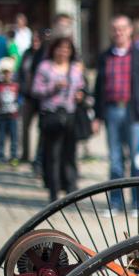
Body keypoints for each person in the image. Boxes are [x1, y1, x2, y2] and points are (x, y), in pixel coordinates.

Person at [93, 15, 139, 212]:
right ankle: (115, 202)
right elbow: (98, 87)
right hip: (112, 111)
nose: (118, 32)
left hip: (134, 113)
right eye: (115, 28)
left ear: (130, 30)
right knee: (115, 160)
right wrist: (96, 116)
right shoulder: (105, 56)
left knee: (137, 159)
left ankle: (138, 202)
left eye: (122, 28)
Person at [33, 37, 85, 202]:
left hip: (70, 116)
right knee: (53, 156)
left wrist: (80, 95)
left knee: (70, 155)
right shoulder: (45, 67)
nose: (64, 52)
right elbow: (36, 90)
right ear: (54, 49)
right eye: (60, 48)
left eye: (67, 49)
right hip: (51, 116)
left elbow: (82, 87)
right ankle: (54, 193)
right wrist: (53, 87)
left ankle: (70, 190)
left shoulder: (75, 69)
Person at [17, 29, 46, 166]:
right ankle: (25, 154)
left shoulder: (44, 55)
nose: (35, 42)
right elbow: (20, 72)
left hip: (40, 97)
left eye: (37, 40)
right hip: (27, 96)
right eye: (33, 40)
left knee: (41, 128)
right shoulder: (27, 54)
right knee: (25, 126)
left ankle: (39, 157)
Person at [0, 57, 21, 167]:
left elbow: (19, 99)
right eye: (4, 73)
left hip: (13, 115)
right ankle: (0, 157)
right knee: (1, 137)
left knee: (14, 137)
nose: (7, 75)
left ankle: (14, 156)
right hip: (1, 115)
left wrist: (19, 109)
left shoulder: (16, 86)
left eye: (9, 73)